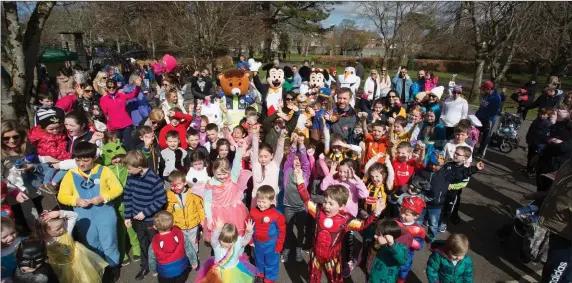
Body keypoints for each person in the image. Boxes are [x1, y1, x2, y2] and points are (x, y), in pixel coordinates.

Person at [294, 168, 385, 283]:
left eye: (331, 204)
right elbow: (306, 199)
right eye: (325, 202)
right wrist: (299, 178)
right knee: (313, 278)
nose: (326, 206)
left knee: (335, 280)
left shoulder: (345, 220)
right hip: (315, 255)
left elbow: (363, 225)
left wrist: (376, 212)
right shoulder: (318, 211)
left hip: (333, 258)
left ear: (342, 206)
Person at [57, 142, 122, 278]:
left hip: (104, 212)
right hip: (84, 216)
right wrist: (75, 201)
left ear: (94, 158)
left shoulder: (104, 171)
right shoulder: (71, 174)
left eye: (86, 160)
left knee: (109, 240)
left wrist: (104, 197)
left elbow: (117, 189)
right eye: (78, 160)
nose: (81, 164)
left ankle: (114, 266)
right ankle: (100, 267)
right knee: (91, 242)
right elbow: (62, 196)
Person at [418, 151, 484, 242]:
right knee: (419, 220)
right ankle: (417, 234)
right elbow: (417, 179)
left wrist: (475, 168)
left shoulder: (446, 174)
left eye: (436, 165)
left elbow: (460, 175)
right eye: (431, 164)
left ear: (442, 164)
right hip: (422, 202)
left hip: (436, 204)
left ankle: (432, 238)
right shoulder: (424, 171)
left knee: (433, 223)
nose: (433, 167)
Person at [123, 149, 167, 281]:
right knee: (143, 244)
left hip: (150, 220)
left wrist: (145, 212)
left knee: (155, 244)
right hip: (137, 220)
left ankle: (160, 266)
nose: (128, 171)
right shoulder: (131, 177)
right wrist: (127, 216)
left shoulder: (154, 180)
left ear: (139, 167)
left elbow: (160, 200)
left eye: (130, 169)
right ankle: (145, 266)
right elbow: (128, 196)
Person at [41, 210, 108, 283]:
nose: (62, 229)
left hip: (77, 260)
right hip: (60, 266)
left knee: (84, 278)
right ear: (44, 230)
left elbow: (74, 215)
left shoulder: (67, 231)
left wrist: (59, 213)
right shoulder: (44, 241)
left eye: (63, 225)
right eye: (58, 229)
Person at [1, 121, 44, 236]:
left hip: (34, 190)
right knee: (21, 224)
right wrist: (14, 192)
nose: (12, 141)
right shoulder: (2, 154)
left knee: (40, 217)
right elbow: (1, 179)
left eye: (15, 137)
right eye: (6, 138)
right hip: (13, 195)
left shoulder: (29, 148)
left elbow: (41, 165)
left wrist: (32, 167)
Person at [538, 159, 572, 283]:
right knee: (551, 267)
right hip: (558, 227)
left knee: (555, 276)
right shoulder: (569, 163)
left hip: (568, 236)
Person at [194, 218, 257, 283]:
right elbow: (213, 239)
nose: (227, 244)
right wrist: (217, 229)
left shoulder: (237, 242)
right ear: (220, 238)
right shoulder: (216, 244)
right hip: (218, 272)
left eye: (230, 242)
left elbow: (245, 241)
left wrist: (249, 232)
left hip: (234, 270)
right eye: (224, 241)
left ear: (235, 239)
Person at [281, 133, 310, 263]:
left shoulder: (305, 172)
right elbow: (291, 156)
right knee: (288, 229)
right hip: (288, 206)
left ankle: (298, 248)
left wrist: (302, 144)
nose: (297, 161)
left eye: (299, 159)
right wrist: (294, 144)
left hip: (301, 206)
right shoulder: (287, 169)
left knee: (300, 229)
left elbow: (305, 160)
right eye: (295, 159)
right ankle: (286, 249)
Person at [27, 108, 71, 195]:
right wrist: (68, 156)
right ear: (44, 128)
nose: (55, 131)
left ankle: (49, 183)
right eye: (51, 129)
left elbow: (61, 143)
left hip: (57, 157)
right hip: (51, 159)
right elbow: (53, 151)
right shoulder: (46, 138)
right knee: (61, 169)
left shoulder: (56, 134)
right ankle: (50, 184)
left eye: (57, 128)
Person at [249, 185, 286, 283]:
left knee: (271, 262)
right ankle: (260, 274)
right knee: (259, 260)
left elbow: (281, 232)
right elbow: (248, 226)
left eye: (264, 202)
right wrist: (250, 239)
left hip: (271, 244)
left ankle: (269, 278)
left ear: (271, 201)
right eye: (259, 201)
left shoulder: (277, 215)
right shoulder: (253, 212)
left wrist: (279, 246)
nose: (261, 204)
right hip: (257, 243)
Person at [148, 211, 198, 283]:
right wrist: (193, 261)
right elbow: (189, 248)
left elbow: (151, 258)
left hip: (165, 273)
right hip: (181, 268)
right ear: (173, 224)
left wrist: (153, 270)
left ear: (155, 227)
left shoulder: (154, 243)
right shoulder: (180, 234)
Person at [166, 170, 205, 255]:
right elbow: (169, 210)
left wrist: (202, 220)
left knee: (192, 241)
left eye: (178, 185)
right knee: (182, 242)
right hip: (179, 225)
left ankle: (194, 256)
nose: (175, 188)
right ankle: (187, 256)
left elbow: (200, 208)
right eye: (172, 186)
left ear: (185, 183)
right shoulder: (170, 195)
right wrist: (169, 222)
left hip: (193, 224)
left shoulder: (193, 193)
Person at [100, 78, 142, 150]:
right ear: (106, 88)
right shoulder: (103, 99)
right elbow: (104, 114)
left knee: (128, 143)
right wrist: (108, 126)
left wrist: (137, 86)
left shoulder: (121, 95)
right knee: (117, 144)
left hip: (125, 124)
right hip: (114, 126)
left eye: (113, 87)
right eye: (109, 87)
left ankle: (132, 158)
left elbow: (133, 95)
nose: (111, 89)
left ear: (116, 87)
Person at [250, 125, 285, 207]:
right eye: (260, 156)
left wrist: (282, 138)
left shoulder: (275, 165)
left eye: (266, 156)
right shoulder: (256, 165)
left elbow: (279, 152)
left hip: (271, 201)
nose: (263, 159)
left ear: (272, 156)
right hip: (257, 201)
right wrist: (255, 135)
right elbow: (254, 150)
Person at [395, 196, 426, 283]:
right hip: (391, 255)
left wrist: (407, 238)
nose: (402, 215)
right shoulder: (395, 221)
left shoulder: (418, 230)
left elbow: (419, 246)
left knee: (402, 275)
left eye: (406, 214)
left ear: (416, 216)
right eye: (401, 211)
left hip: (405, 258)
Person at [523, 108, 554, 177]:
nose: (542, 116)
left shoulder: (549, 124)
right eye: (541, 114)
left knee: (536, 158)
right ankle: (528, 168)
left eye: (544, 115)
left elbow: (548, 135)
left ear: (548, 115)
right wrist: (528, 138)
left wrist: (544, 143)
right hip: (532, 141)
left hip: (540, 143)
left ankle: (532, 170)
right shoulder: (536, 121)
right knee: (529, 155)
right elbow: (530, 130)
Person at [474, 81, 501, 157]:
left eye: (484, 89)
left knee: (486, 136)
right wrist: (477, 114)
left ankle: (481, 152)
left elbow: (494, 112)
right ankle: (473, 148)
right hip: (480, 117)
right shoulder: (485, 95)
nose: (483, 91)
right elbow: (482, 106)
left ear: (489, 89)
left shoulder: (496, 98)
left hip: (488, 120)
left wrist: (485, 118)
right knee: (476, 133)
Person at [2, 216, 23, 283]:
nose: (11, 238)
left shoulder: (20, 242)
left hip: (22, 274)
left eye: (12, 233)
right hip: (6, 279)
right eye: (4, 237)